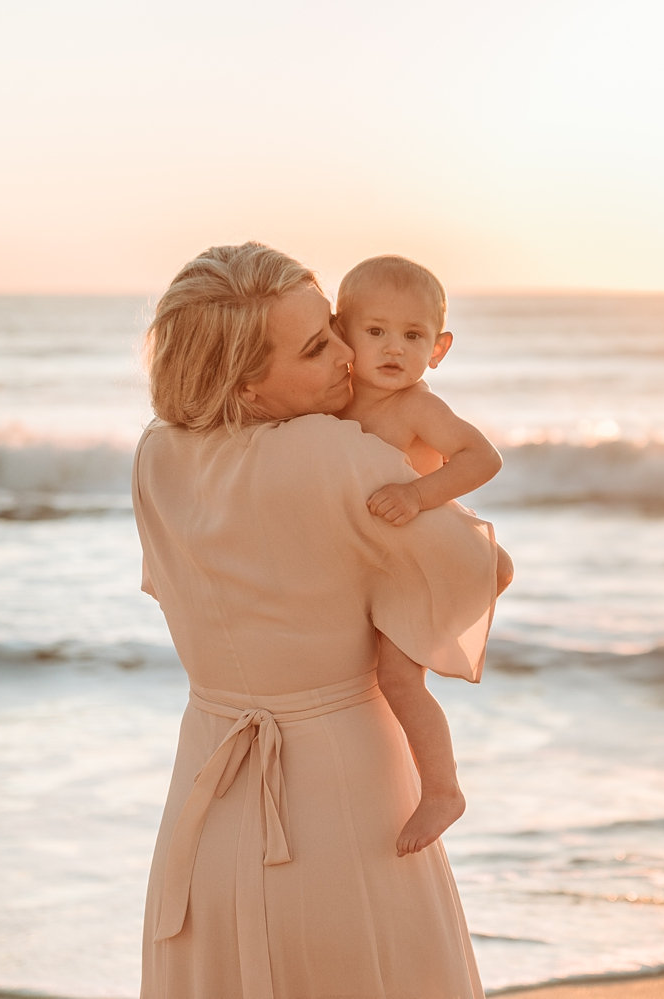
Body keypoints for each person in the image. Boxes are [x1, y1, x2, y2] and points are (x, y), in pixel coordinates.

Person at [134, 242, 499, 999]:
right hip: (343, 797)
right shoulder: (340, 455)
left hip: (204, 788)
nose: (346, 356)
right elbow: (483, 569)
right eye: (315, 346)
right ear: (246, 382)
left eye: (334, 328)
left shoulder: (155, 456)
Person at [332, 254, 513, 857]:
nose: (393, 349)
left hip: (438, 563)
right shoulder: (338, 400)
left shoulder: (414, 405)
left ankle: (443, 791)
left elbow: (483, 457)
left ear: (438, 348)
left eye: (413, 336)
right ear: (341, 335)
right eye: (376, 331)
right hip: (399, 565)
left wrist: (418, 493)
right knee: (376, 678)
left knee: (398, 681)